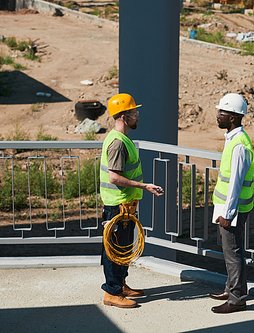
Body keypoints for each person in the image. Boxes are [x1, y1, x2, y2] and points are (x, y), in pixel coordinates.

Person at [99, 93, 164, 308]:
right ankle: (112, 292)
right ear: (124, 116)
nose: (138, 115)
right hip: (117, 205)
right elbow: (114, 177)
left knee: (124, 247)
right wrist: (144, 186)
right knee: (115, 250)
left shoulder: (122, 139)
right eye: (135, 112)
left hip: (125, 204)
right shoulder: (117, 143)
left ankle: (121, 283)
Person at [210, 93, 254, 314]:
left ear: (233, 118)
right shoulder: (233, 139)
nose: (218, 116)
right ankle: (230, 289)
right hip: (228, 208)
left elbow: (235, 183)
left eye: (222, 113)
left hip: (232, 211)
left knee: (233, 253)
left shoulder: (239, 145)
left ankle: (237, 299)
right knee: (230, 252)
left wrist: (228, 213)